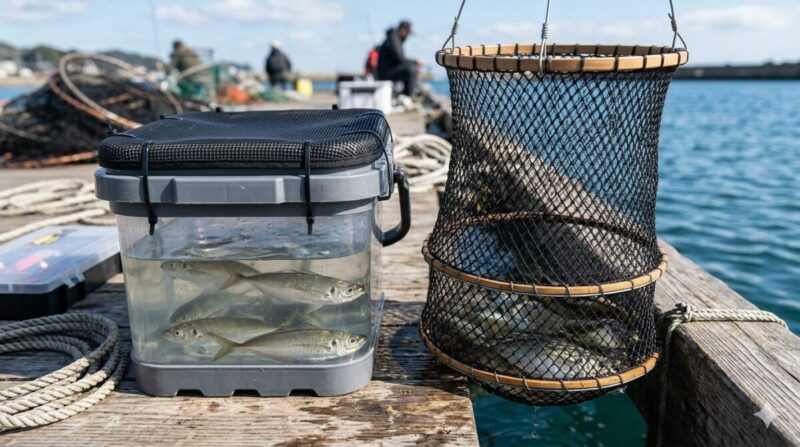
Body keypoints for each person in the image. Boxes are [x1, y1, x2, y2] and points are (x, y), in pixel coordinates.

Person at [377, 20, 420, 97]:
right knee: (410, 69)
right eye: (408, 33)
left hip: (387, 71)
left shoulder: (394, 38)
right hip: (385, 74)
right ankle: (407, 97)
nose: (408, 36)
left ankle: (406, 96)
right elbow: (399, 58)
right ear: (403, 30)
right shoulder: (393, 39)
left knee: (410, 67)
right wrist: (415, 62)